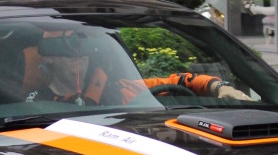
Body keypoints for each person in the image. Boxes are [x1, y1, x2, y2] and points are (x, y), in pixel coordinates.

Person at [24, 33, 251, 106]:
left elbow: (179, 81)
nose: (79, 59)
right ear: (49, 59)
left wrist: (218, 88)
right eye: (68, 52)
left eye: (83, 52)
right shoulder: (36, 105)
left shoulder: (120, 89)